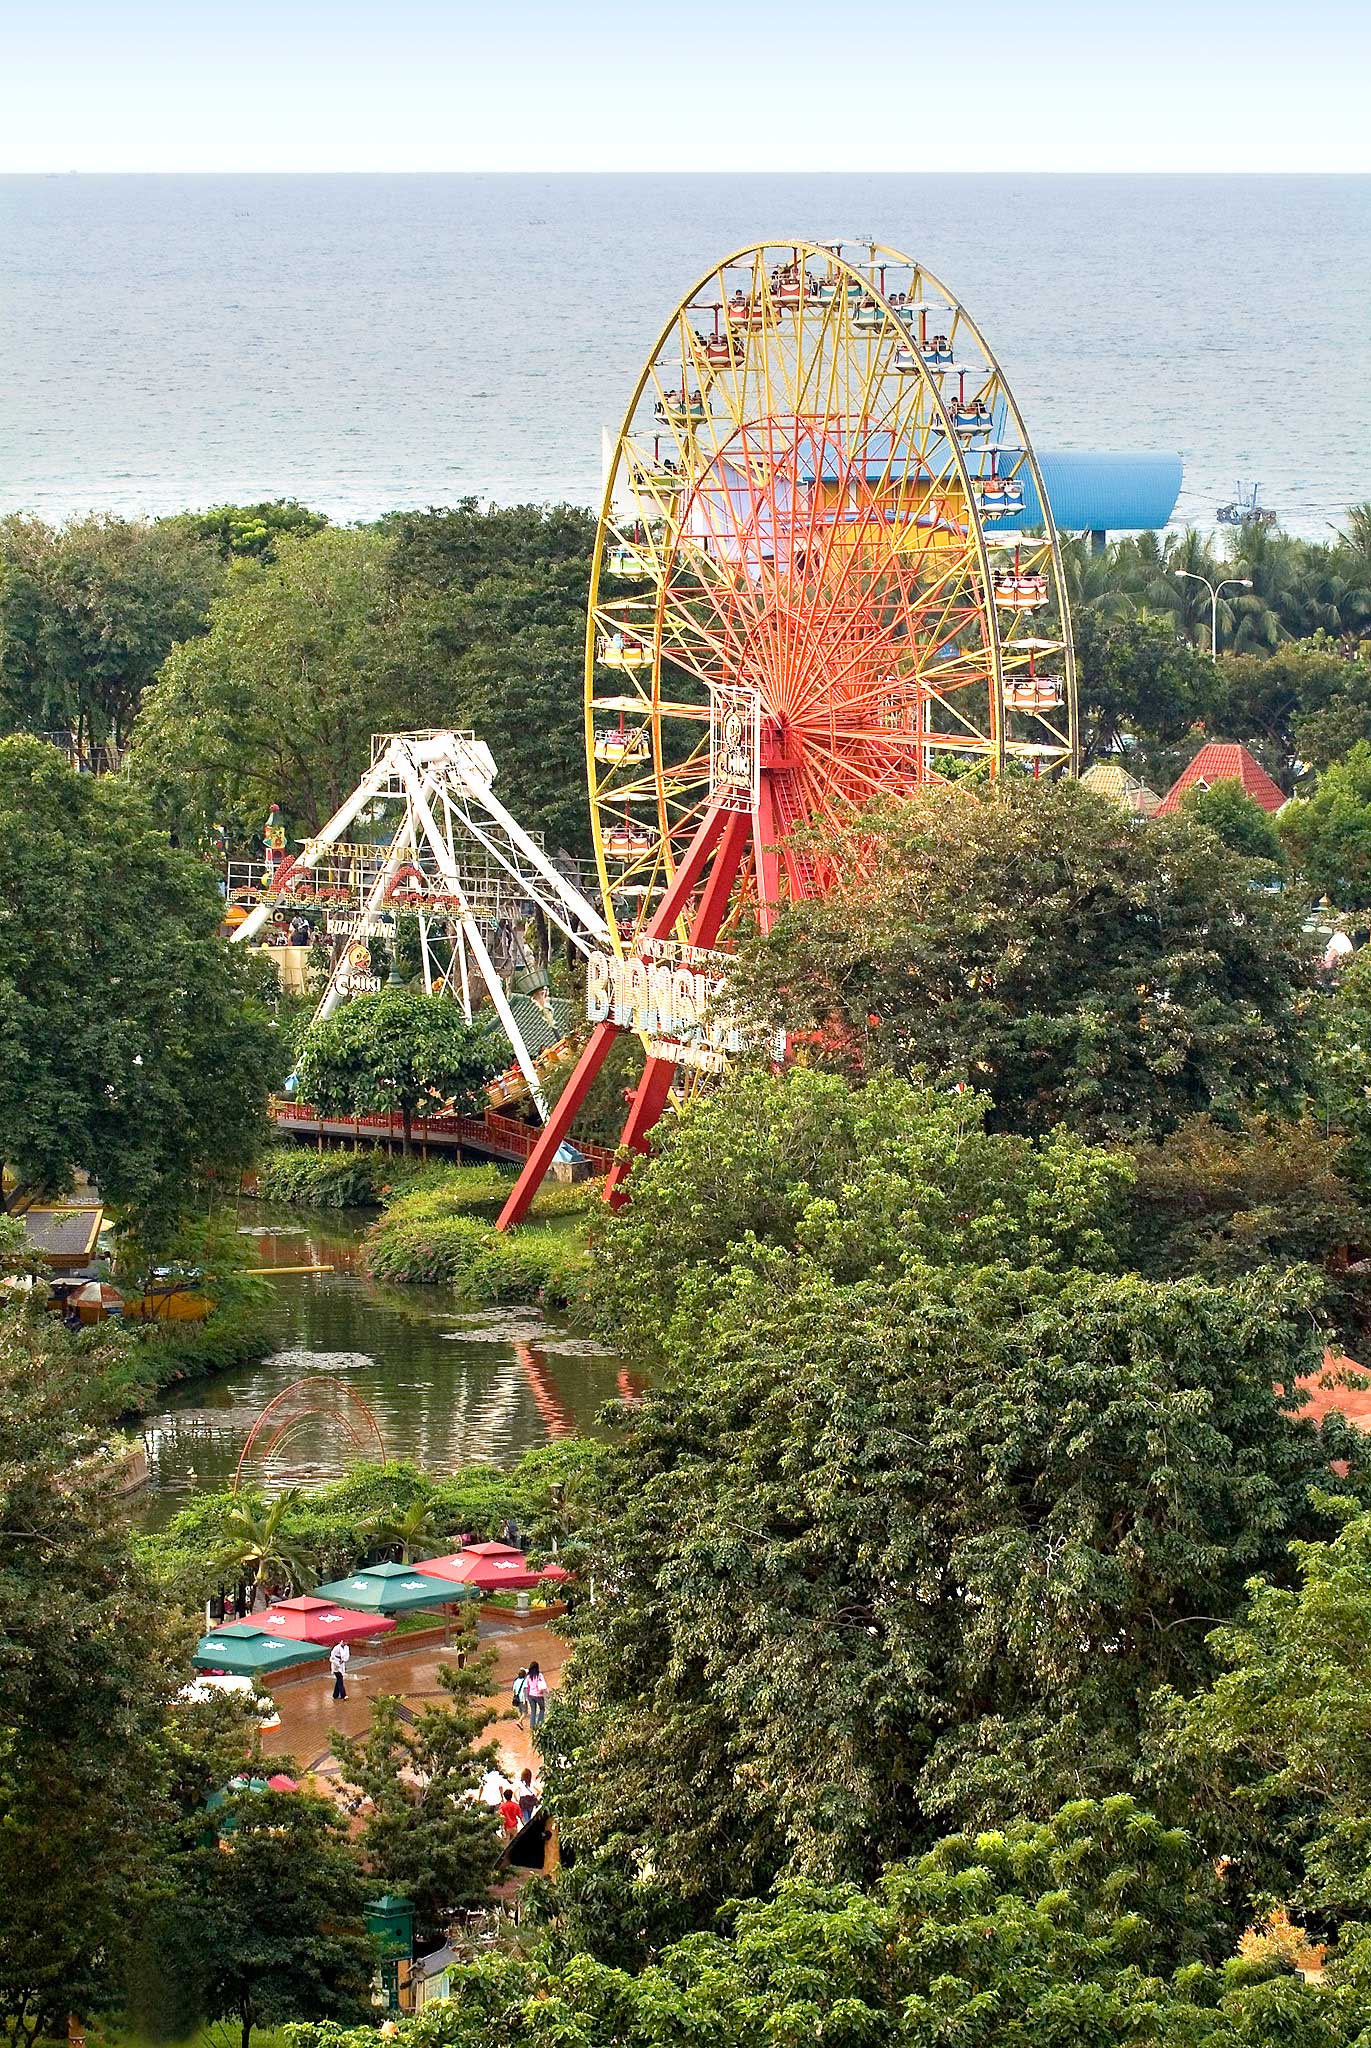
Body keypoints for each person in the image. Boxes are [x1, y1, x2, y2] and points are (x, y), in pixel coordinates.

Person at [525, 1659, 549, 1732]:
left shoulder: (528, 1676)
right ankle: (540, 1723)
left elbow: (526, 1686)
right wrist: (547, 1692)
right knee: (542, 1708)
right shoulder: (539, 1675)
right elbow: (543, 1685)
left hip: (530, 1695)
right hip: (538, 1695)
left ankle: (532, 1726)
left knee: (533, 1711)